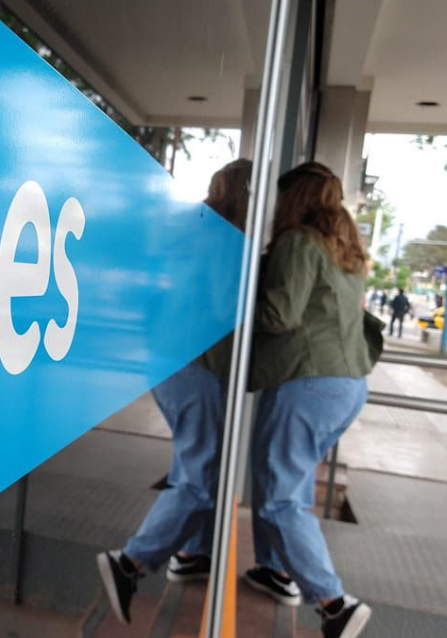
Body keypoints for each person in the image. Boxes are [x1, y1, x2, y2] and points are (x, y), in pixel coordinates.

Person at [94, 160, 296, 624]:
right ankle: (131, 562)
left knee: (194, 460)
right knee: (200, 476)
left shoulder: (194, 229)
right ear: (249, 195)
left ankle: (191, 554)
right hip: (196, 364)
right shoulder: (227, 240)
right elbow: (229, 306)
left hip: (168, 359)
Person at [246, 162, 372, 638]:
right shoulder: (345, 250)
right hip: (347, 384)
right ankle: (277, 570)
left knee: (280, 496)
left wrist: (232, 302)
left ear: (292, 198)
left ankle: (334, 603)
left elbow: (280, 314)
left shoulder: (298, 242)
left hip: (308, 381)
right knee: (290, 480)